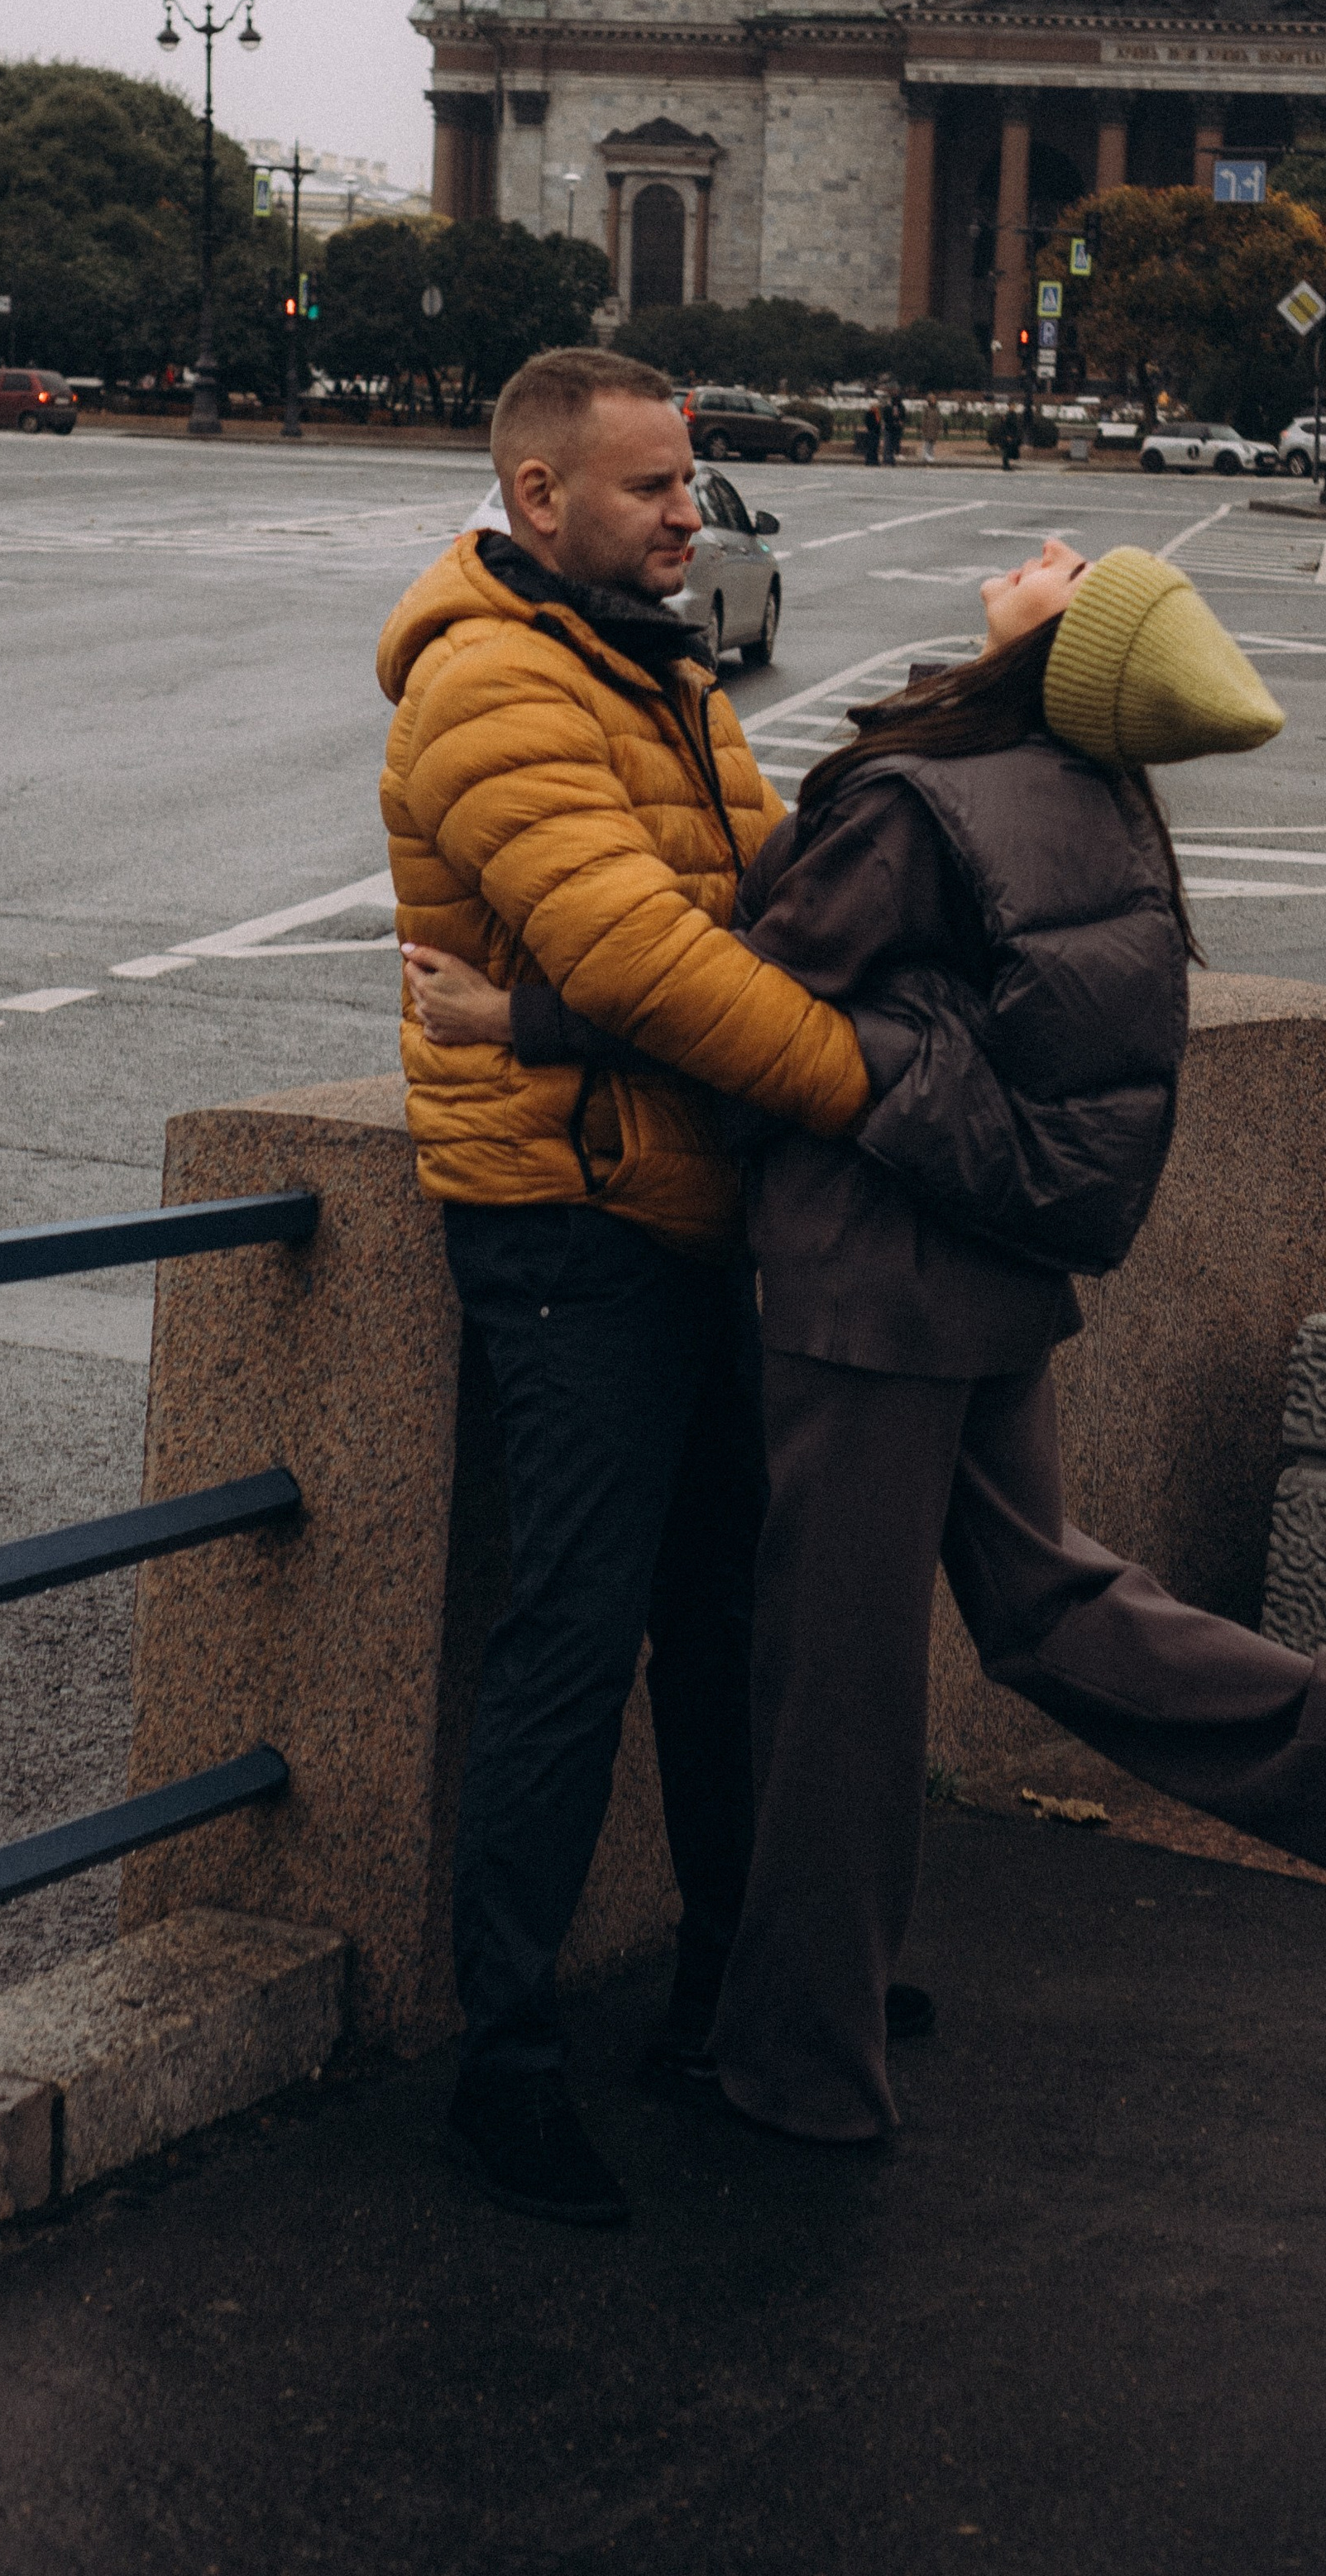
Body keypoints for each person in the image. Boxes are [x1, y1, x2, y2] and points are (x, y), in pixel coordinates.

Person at [411, 538, 1326, 2152]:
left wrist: (508, 1020)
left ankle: (801, 2066)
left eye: (1065, 566)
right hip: (996, 1281)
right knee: (1043, 1601)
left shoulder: (916, 804)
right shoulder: (1095, 805)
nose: (1034, 555)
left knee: (834, 1686)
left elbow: (730, 996)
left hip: (864, 1293)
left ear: (1064, 649)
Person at [376, 344, 870, 2229]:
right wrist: (865, 1090)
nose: (695, 513)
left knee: (725, 1626)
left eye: (694, 482)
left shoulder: (645, 664)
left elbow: (760, 908)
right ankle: (504, 2068)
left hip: (680, 1202)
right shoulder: (495, 684)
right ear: (537, 501)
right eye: (659, 488)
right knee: (572, 1647)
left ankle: (728, 1993)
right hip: (570, 1228)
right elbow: (668, 965)